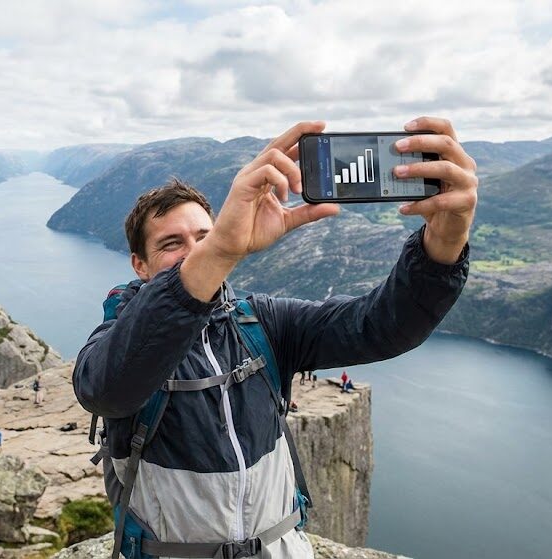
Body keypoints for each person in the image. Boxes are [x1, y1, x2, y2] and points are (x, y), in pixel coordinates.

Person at [73, 119, 476, 559]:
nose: (195, 250)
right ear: (140, 265)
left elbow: (381, 326)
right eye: (173, 243)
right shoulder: (117, 339)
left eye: (205, 236)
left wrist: (444, 243)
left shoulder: (262, 324)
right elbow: (107, 388)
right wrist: (220, 251)